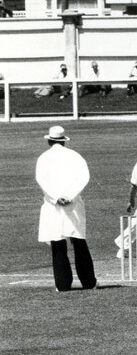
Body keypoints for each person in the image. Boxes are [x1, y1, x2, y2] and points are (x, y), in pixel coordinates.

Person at [35, 125, 96, 291]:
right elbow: (83, 178)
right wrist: (69, 196)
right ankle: (89, 282)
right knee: (79, 242)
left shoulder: (43, 157)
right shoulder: (75, 156)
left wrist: (56, 197)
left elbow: (41, 180)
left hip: (53, 205)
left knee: (57, 243)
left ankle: (62, 284)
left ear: (49, 140)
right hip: (73, 204)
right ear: (63, 141)